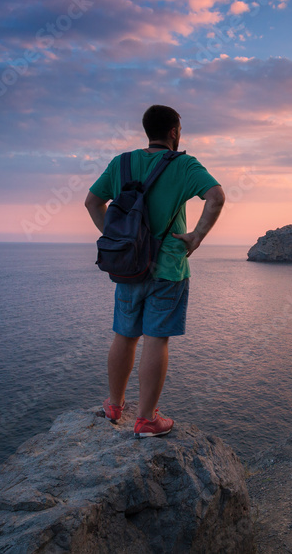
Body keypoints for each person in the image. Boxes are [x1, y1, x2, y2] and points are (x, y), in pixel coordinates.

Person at [84, 105, 225, 437]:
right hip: (168, 268)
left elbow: (92, 201)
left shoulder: (122, 163)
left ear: (147, 130)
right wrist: (197, 236)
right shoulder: (184, 164)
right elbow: (216, 196)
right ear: (175, 132)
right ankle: (147, 419)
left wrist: (117, 237)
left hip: (129, 266)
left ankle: (114, 405)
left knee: (125, 335)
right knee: (156, 339)